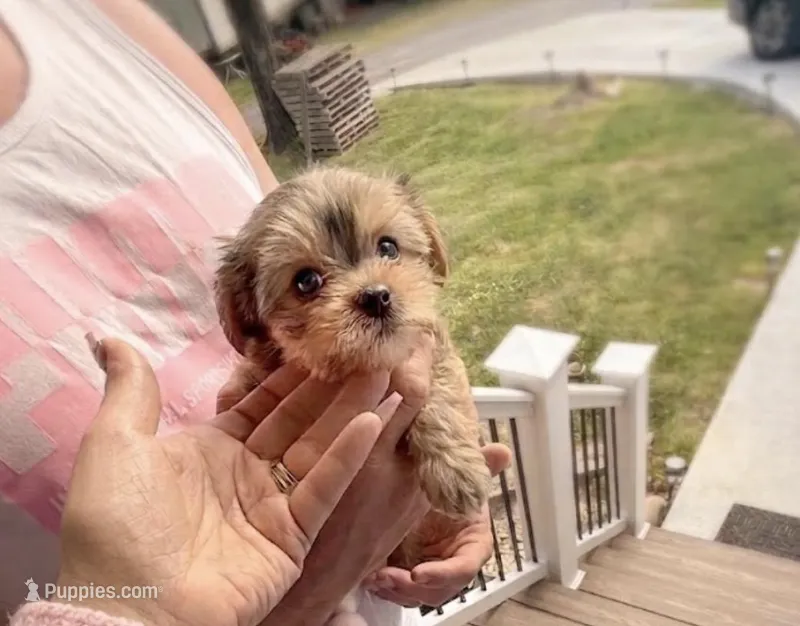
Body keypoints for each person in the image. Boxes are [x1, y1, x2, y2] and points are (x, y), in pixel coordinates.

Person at [0, 1, 511, 624]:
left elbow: (434, 365)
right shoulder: (250, 381)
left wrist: (445, 495)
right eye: (309, 281)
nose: (373, 288)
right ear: (245, 317)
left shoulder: (95, 16)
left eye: (386, 248)